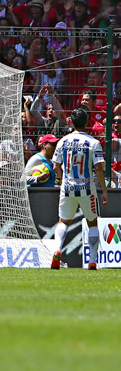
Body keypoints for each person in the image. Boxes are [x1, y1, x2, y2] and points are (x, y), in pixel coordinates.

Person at [51, 107, 108, 270]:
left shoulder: (63, 141)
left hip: (67, 187)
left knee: (63, 222)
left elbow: (56, 166)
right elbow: (98, 168)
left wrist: (63, 181)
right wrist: (104, 190)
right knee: (92, 223)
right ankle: (92, 260)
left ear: (72, 121)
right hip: (87, 189)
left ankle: (57, 250)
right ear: (87, 122)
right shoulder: (93, 142)